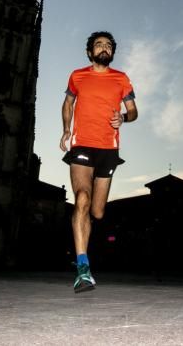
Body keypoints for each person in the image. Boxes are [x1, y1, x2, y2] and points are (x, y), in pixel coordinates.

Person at [60, 31, 138, 292]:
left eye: (108, 45)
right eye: (98, 44)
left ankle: (86, 224)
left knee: (97, 211)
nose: (104, 48)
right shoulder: (77, 76)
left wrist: (124, 119)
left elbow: (133, 111)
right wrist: (66, 130)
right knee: (81, 197)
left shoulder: (121, 79)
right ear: (89, 51)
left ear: (112, 52)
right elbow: (68, 103)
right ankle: (82, 269)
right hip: (82, 145)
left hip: (108, 149)